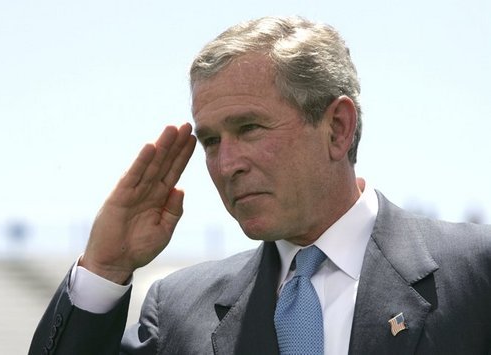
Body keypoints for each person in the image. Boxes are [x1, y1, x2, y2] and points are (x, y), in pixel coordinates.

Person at [29, 16, 491, 355]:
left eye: (250, 128)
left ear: (337, 128)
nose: (227, 163)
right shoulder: (178, 311)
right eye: (210, 140)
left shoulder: (475, 273)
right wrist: (104, 269)